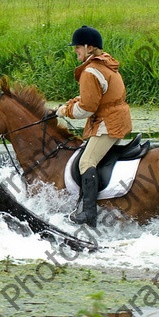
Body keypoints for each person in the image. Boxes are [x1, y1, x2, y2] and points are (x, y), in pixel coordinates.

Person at [56, 25, 132, 228]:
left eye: (78, 47)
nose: (75, 50)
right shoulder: (106, 64)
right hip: (118, 119)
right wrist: (71, 103)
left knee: (86, 161)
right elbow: (96, 97)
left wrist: (64, 111)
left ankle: (89, 213)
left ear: (89, 48)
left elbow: (88, 108)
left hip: (108, 123)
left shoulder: (91, 71)